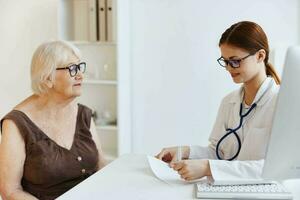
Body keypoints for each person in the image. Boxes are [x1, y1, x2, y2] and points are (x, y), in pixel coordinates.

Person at [156, 21, 281, 182]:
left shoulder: (283, 103)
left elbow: (277, 169)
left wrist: (208, 168)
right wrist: (184, 151)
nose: (229, 68)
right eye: (225, 61)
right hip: (227, 190)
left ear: (260, 56)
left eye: (235, 61)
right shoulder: (229, 102)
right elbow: (220, 153)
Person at [0, 40, 107, 200]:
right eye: (72, 68)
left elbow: (101, 165)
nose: (80, 74)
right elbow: (10, 191)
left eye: (79, 67)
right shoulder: (15, 124)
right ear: (47, 78)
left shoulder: (83, 114)